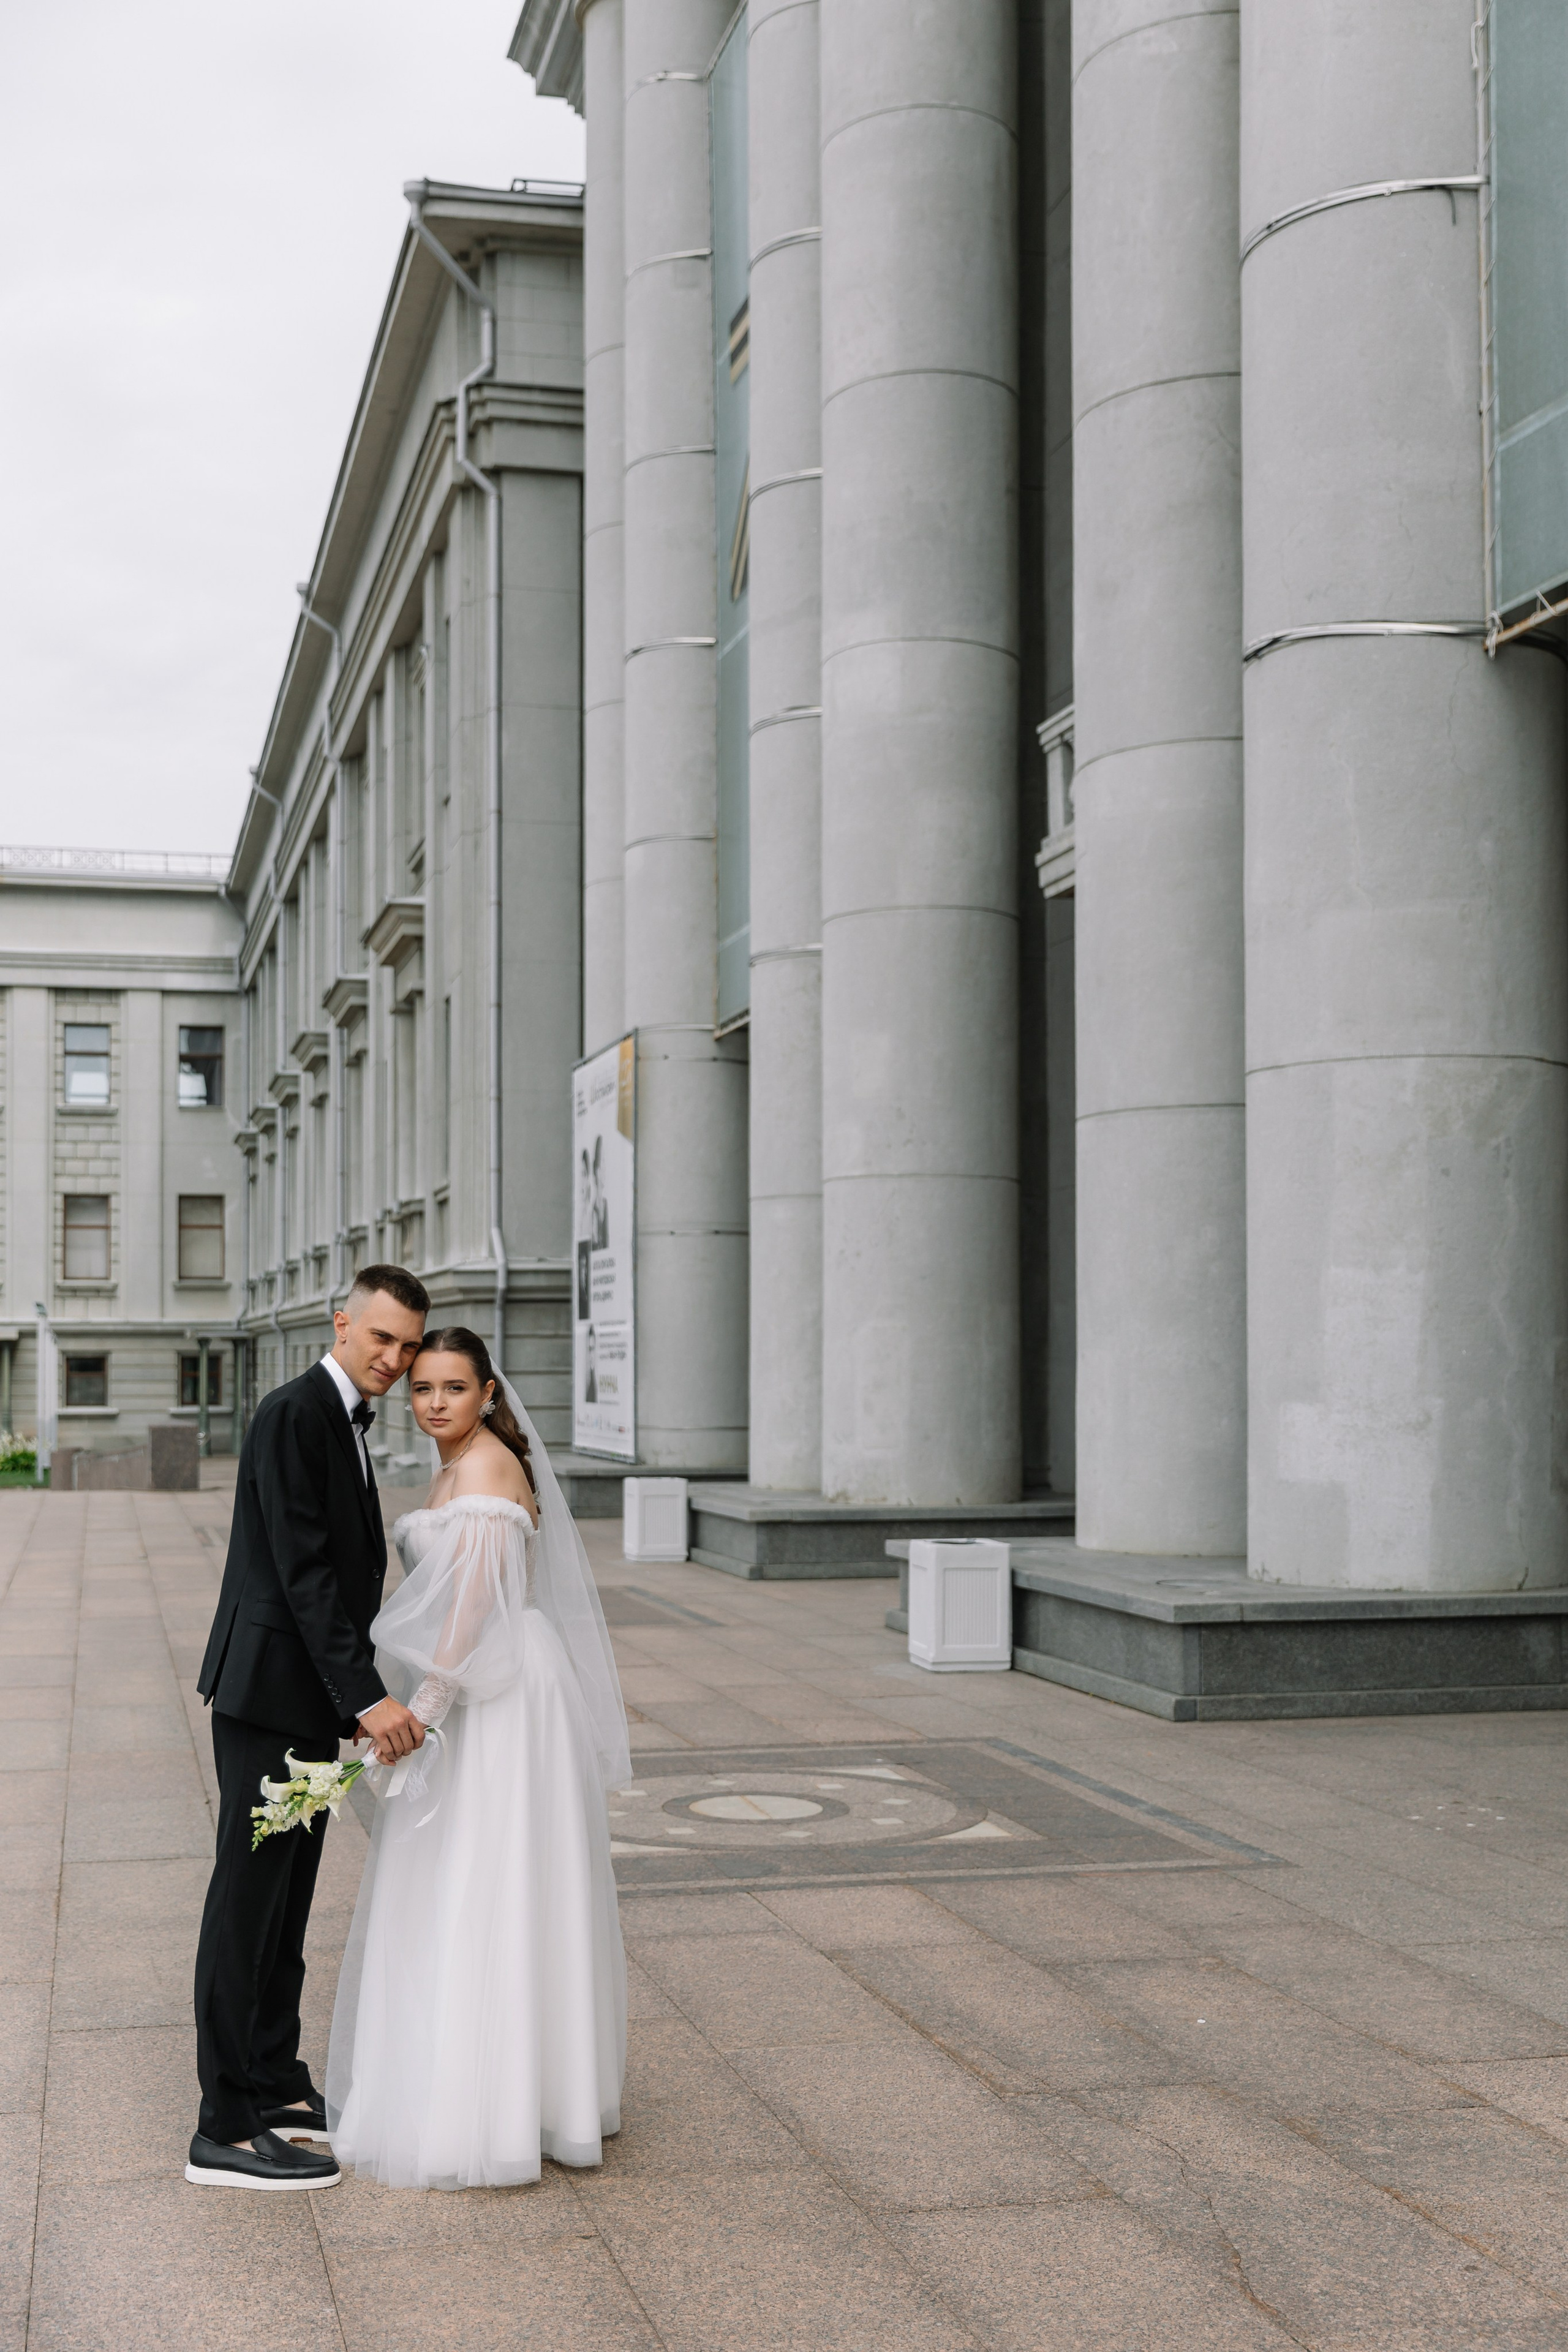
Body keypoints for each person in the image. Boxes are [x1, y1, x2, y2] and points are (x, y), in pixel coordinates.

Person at [325, 1325, 628, 2188]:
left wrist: (422, 1711)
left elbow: (473, 1608)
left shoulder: (489, 1467)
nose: (434, 1403)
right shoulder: (454, 1464)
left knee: (493, 1872)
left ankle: (497, 2104)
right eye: (422, 1388)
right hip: (473, 1679)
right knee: (463, 1871)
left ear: (488, 1393)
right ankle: (477, 2085)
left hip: (499, 1694)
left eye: (454, 1388)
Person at [186, 1267, 431, 2192]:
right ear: (342, 1324)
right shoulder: (295, 1413)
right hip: (269, 1698)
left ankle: (276, 2080)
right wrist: (368, 1699)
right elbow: (305, 1573)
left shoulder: (342, 1418)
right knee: (247, 1903)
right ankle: (223, 2126)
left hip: (306, 1701)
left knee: (287, 1904)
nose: (395, 1359)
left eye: (409, 1345)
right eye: (383, 1337)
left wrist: (345, 1698)